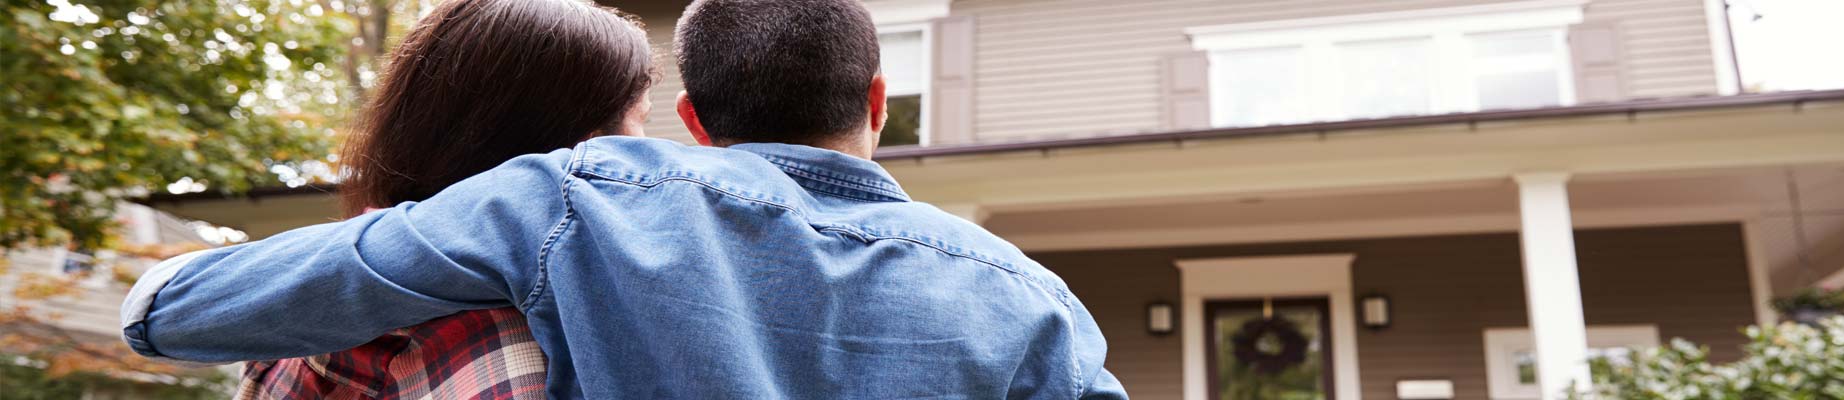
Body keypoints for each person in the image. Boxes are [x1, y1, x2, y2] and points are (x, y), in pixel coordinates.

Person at [122, 0, 1127, 397]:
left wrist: (153, 296)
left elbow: (185, 313)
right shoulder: (1028, 297)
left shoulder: (567, 199)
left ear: (690, 116)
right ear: (878, 102)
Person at [216, 0, 656, 398]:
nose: (646, 152)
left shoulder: (301, 294)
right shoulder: (527, 340)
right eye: (638, 123)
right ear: (582, 141)